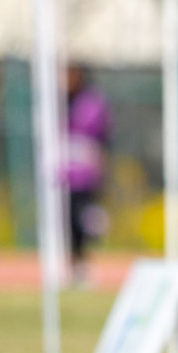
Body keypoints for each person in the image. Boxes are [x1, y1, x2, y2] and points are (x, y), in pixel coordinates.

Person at [62, 67, 111, 287]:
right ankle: (70, 263)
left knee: (82, 217)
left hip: (84, 172)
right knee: (66, 219)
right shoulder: (56, 102)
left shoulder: (91, 103)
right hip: (62, 172)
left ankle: (82, 263)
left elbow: (101, 135)